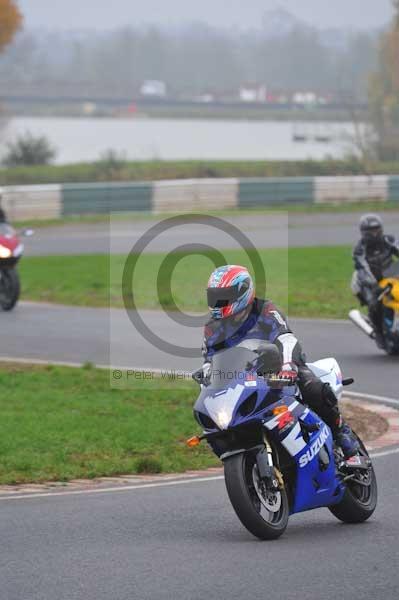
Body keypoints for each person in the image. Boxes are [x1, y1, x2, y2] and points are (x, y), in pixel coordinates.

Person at [200, 264, 359, 458]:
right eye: (214, 296)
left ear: (242, 292)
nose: (218, 302)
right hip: (246, 377)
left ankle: (341, 431)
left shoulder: (265, 310)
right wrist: (208, 376)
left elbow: (286, 338)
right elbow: (210, 360)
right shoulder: (212, 327)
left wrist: (287, 366)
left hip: (282, 366)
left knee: (312, 387)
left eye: (223, 296)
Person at [352, 214, 399, 346]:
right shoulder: (360, 249)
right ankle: (378, 332)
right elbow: (363, 267)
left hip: (390, 276)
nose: (374, 233)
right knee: (374, 303)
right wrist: (374, 285)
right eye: (371, 231)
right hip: (369, 281)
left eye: (376, 230)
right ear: (364, 232)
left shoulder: (388, 240)